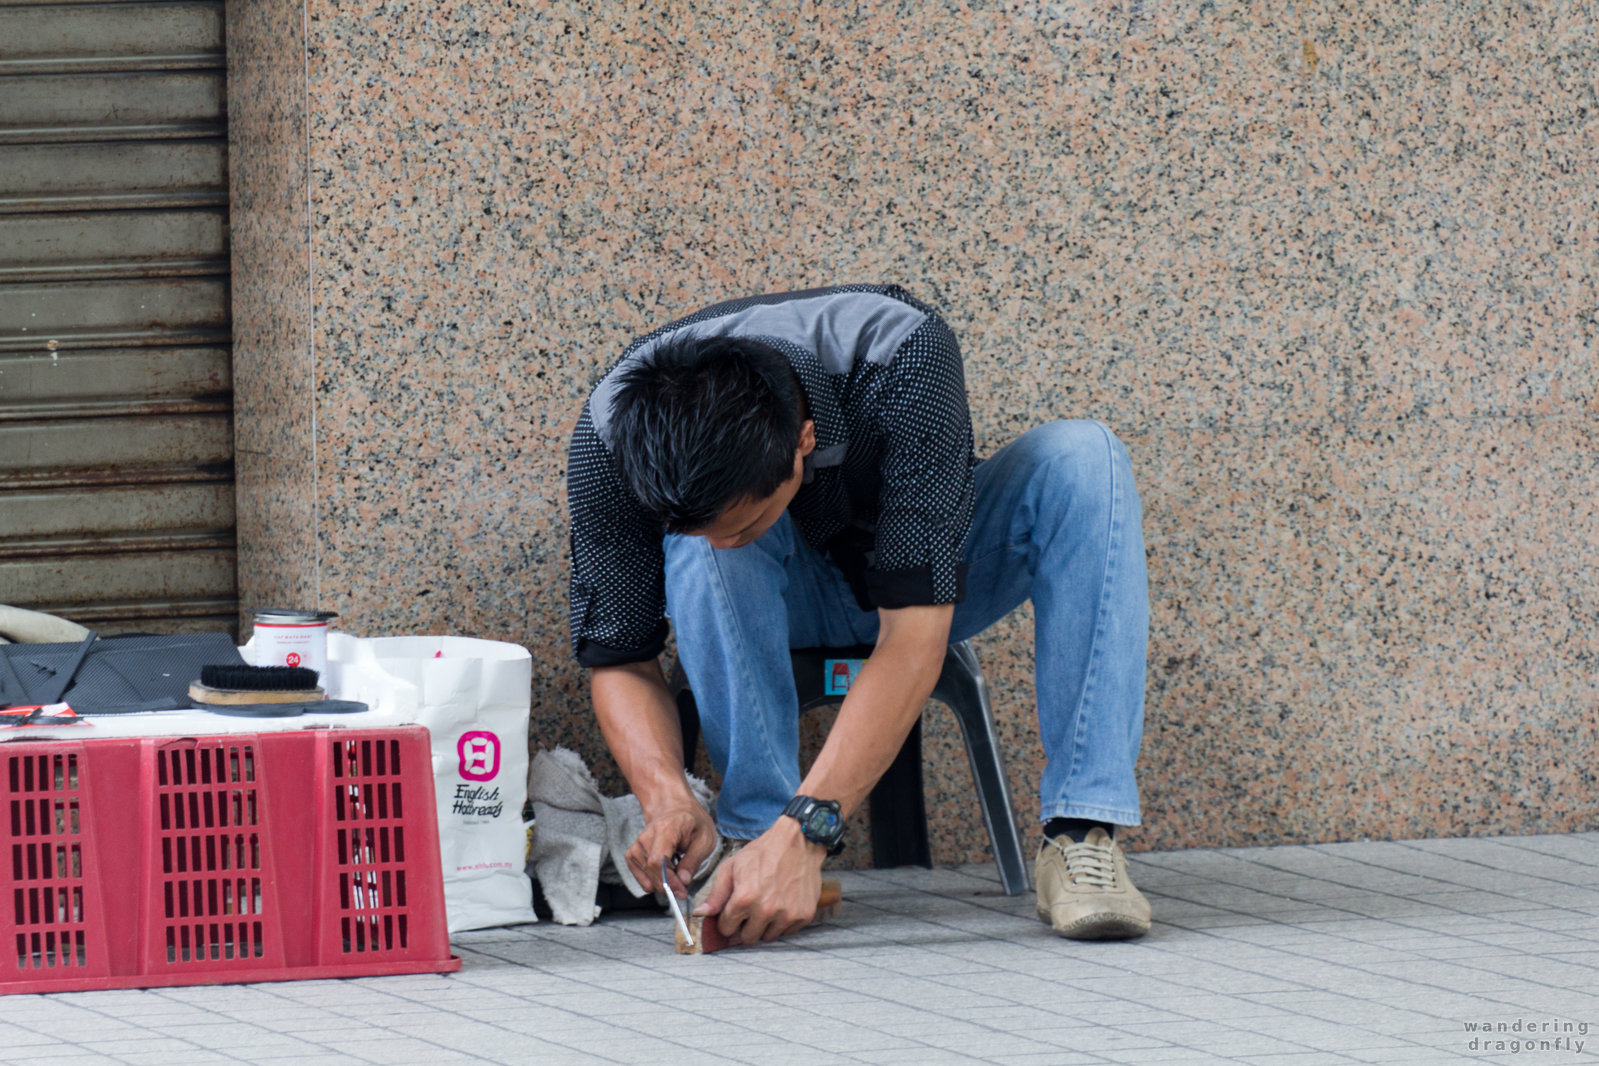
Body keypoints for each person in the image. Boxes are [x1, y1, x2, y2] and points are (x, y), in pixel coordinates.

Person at [565, 284, 1151, 947]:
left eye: (748, 518)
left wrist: (809, 832)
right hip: (768, 609)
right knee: (707, 553)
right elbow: (620, 656)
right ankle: (754, 840)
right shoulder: (610, 432)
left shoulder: (902, 352)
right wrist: (665, 796)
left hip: (916, 596)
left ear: (803, 440)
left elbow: (911, 637)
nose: (728, 537)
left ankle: (1081, 836)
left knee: (1083, 458)